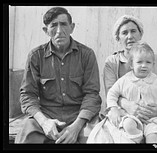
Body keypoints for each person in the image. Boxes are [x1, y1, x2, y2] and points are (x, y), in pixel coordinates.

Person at [15, 7, 102, 144]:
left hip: (79, 116)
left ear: (72, 27)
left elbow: (92, 94)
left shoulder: (87, 55)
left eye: (63, 24)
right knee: (26, 138)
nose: (59, 31)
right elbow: (27, 95)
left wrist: (76, 127)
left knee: (97, 138)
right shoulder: (35, 56)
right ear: (46, 30)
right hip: (46, 116)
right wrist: (44, 122)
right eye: (53, 25)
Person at [94, 14, 157, 143]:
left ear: (140, 34)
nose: (130, 36)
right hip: (124, 115)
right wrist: (127, 106)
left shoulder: (154, 59)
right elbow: (111, 93)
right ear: (118, 38)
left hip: (153, 117)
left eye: (133, 31)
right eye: (124, 33)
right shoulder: (112, 62)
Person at [106, 41, 157, 143]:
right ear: (131, 64)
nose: (144, 65)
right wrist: (114, 109)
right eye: (139, 62)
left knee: (152, 136)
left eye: (148, 62)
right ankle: (138, 140)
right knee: (128, 125)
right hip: (132, 117)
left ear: (153, 64)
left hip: (152, 119)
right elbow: (112, 93)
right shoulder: (124, 80)